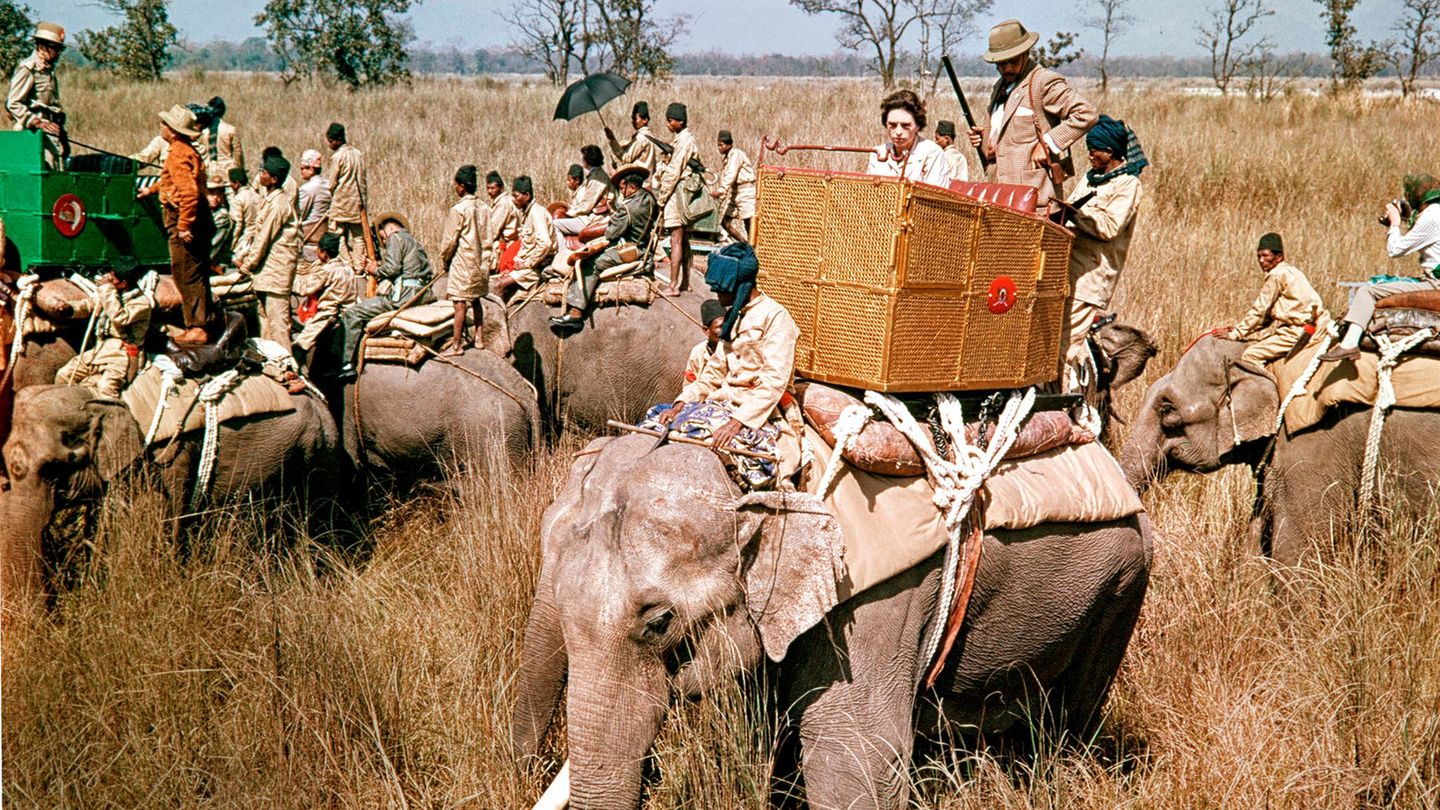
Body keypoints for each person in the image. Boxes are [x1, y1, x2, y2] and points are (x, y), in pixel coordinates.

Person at [646, 242, 802, 490]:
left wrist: (738, 422)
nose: (717, 296)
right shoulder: (734, 317)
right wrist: (681, 404)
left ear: (737, 287)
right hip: (721, 403)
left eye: (721, 290)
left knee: (775, 471)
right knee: (654, 426)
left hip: (759, 411)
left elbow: (774, 381)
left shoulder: (776, 318)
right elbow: (712, 374)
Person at [966, 19, 1098, 214]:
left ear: (1026, 53)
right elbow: (1009, 136)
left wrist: (1048, 143)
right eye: (1001, 63)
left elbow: (1086, 113)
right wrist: (986, 138)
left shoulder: (1042, 82)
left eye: (1013, 61)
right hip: (999, 197)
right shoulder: (999, 87)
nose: (1007, 68)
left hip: (1034, 201)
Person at [1319, 174, 1440, 363]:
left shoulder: (1432, 216)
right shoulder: (1435, 213)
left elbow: (1395, 250)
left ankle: (1349, 343)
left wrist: (1395, 223)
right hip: (1432, 280)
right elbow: (1420, 234)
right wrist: (1403, 219)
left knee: (1368, 291)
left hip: (1434, 283)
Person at [1062, 115, 1147, 365]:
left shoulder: (1128, 185)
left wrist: (1076, 214)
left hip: (1090, 281)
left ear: (1110, 152)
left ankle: (1065, 404)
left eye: (1093, 151)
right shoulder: (1090, 179)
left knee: (1065, 353)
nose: (1089, 156)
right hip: (1068, 274)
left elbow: (1109, 226)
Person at [137, 104, 213, 344]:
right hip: (195, 216)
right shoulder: (184, 150)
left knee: (186, 273)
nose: (161, 127)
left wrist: (183, 225)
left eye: (165, 124)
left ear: (174, 130)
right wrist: (152, 189)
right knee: (193, 271)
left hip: (185, 217)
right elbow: (172, 181)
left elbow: (188, 192)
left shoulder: (179, 153)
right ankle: (199, 322)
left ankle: (198, 327)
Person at [551, 164, 657, 330]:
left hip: (630, 248)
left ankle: (575, 313)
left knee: (590, 264)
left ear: (632, 187)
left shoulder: (627, 208)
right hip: (644, 245)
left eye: (623, 188)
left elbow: (612, 234)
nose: (621, 191)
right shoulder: (650, 199)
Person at [338, 212, 432, 376]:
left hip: (404, 296)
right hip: (421, 294)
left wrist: (374, 269)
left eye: (380, 233)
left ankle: (347, 364)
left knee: (353, 313)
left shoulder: (395, 238)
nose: (382, 239)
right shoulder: (414, 242)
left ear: (387, 228)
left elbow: (392, 269)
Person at [1228, 233, 1330, 369]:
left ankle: (1269, 389)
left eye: (1266, 256)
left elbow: (1260, 310)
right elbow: (1266, 317)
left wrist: (1235, 334)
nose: (1261, 260)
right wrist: (1242, 328)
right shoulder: (1292, 271)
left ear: (1279, 257)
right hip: (1318, 326)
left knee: (1250, 355)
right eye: (1259, 256)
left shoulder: (1276, 275)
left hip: (1298, 331)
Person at [55, 257, 151, 398]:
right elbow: (91, 305)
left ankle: (114, 418)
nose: (108, 279)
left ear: (124, 283)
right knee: (64, 375)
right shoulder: (112, 294)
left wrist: (106, 289)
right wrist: (70, 309)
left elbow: (120, 318)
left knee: (106, 389)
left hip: (123, 354)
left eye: (112, 279)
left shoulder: (141, 304)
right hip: (101, 349)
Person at [234, 154, 302, 351]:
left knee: (278, 326)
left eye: (263, 173)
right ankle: (270, 361)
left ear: (273, 179)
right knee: (265, 323)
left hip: (277, 274)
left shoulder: (279, 204)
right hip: (267, 274)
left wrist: (246, 267)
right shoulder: (270, 200)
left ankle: (288, 370)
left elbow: (262, 240)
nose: (259, 175)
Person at [437, 164, 490, 355]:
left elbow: (450, 240)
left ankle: (457, 345)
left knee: (459, 303)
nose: (454, 188)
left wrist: (445, 259)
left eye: (455, 185)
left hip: (463, 261)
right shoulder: (485, 207)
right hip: (481, 262)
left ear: (461, 186)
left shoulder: (458, 209)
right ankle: (479, 338)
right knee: (476, 300)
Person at [292, 232, 357, 374]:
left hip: (329, 314)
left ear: (323, 252)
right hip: (348, 312)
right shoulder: (348, 269)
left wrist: (287, 281)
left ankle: (295, 373)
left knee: (301, 343)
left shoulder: (327, 271)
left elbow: (305, 289)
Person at [654, 102, 699, 296]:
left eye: (670, 120)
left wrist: (662, 197)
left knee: (676, 239)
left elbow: (674, 171)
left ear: (679, 121)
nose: (667, 124)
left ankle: (673, 285)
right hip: (684, 193)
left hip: (678, 193)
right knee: (685, 239)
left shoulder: (684, 142)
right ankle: (685, 282)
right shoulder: (684, 139)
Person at [7, 22, 66, 164]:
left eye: (59, 49)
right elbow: (13, 103)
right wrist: (36, 122)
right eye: (55, 48)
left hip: (51, 131)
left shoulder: (47, 71)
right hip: (34, 134)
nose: (58, 53)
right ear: (41, 47)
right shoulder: (28, 69)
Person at [865, 89, 951, 187]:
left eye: (905, 125)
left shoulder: (932, 153)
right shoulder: (878, 153)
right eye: (892, 125)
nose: (898, 132)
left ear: (917, 126)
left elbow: (936, 196)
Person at [492, 176, 554, 297]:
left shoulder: (537, 213)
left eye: (516, 196)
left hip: (538, 266)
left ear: (527, 195)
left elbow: (545, 244)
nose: (513, 200)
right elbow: (526, 246)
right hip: (528, 264)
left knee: (498, 285)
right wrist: (512, 267)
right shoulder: (525, 214)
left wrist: (527, 264)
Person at [326, 122, 370, 271]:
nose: (330, 144)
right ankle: (359, 266)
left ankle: (347, 263)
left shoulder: (337, 157)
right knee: (358, 235)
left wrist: (331, 194)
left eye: (331, 141)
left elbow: (332, 183)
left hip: (341, 201)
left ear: (337, 140)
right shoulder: (358, 154)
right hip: (359, 202)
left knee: (336, 233)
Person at [710, 130, 757, 243]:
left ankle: (753, 248)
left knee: (749, 224)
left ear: (729, 144)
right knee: (725, 222)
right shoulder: (727, 158)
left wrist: (721, 190)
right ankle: (745, 244)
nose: (719, 148)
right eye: (718, 145)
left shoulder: (736, 155)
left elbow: (731, 174)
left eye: (721, 145)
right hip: (735, 193)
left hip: (746, 191)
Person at [605, 101, 659, 181]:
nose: (632, 122)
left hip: (641, 181)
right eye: (632, 118)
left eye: (635, 119)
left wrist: (612, 139)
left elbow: (626, 158)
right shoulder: (646, 135)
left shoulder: (642, 137)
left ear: (645, 120)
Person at [297, 148, 331, 261]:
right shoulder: (328, 184)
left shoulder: (307, 189)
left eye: (303, 168)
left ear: (311, 169)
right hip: (325, 233)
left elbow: (299, 215)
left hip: (309, 235)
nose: (301, 171)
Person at [196, 95, 244, 175]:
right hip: (228, 171)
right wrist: (240, 171)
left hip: (210, 171)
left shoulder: (204, 131)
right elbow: (237, 153)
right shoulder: (230, 129)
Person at [685, 298, 729, 383]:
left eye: (727, 325)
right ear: (706, 330)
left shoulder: (735, 349)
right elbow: (689, 385)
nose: (726, 330)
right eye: (720, 327)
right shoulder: (697, 353)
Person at [485, 171, 521, 273]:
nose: (490, 191)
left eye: (493, 188)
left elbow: (493, 230)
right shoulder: (506, 200)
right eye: (488, 188)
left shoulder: (503, 203)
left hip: (507, 244)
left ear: (501, 188)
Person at [228, 167, 262, 259]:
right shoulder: (258, 196)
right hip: (258, 240)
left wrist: (231, 246)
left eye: (231, 182)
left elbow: (237, 225)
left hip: (244, 242)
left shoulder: (237, 199)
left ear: (237, 183)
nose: (230, 185)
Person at [207, 168, 234, 268]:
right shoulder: (204, 210)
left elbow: (213, 246)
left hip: (214, 262)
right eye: (211, 193)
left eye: (219, 194)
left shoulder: (222, 217)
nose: (215, 197)